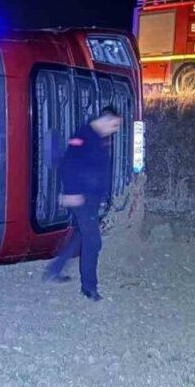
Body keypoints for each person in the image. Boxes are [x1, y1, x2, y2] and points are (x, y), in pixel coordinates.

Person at [42, 106, 122, 301]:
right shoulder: (83, 136)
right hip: (80, 199)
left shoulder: (98, 137)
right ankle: (89, 287)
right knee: (93, 242)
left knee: (81, 235)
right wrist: (71, 193)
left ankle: (54, 270)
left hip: (90, 199)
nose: (115, 130)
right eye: (114, 125)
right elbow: (69, 165)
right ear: (105, 119)